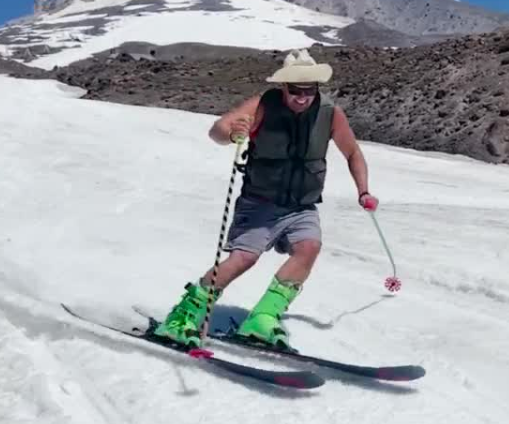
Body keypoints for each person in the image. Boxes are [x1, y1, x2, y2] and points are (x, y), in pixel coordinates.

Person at [153, 49, 378, 349]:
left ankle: (263, 319)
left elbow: (352, 153)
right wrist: (233, 134)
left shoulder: (330, 113)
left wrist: (363, 190)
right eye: (295, 90)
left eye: (309, 90)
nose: (302, 98)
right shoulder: (262, 105)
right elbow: (217, 131)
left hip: (301, 205)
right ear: (284, 86)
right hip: (260, 202)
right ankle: (183, 316)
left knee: (309, 248)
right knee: (243, 259)